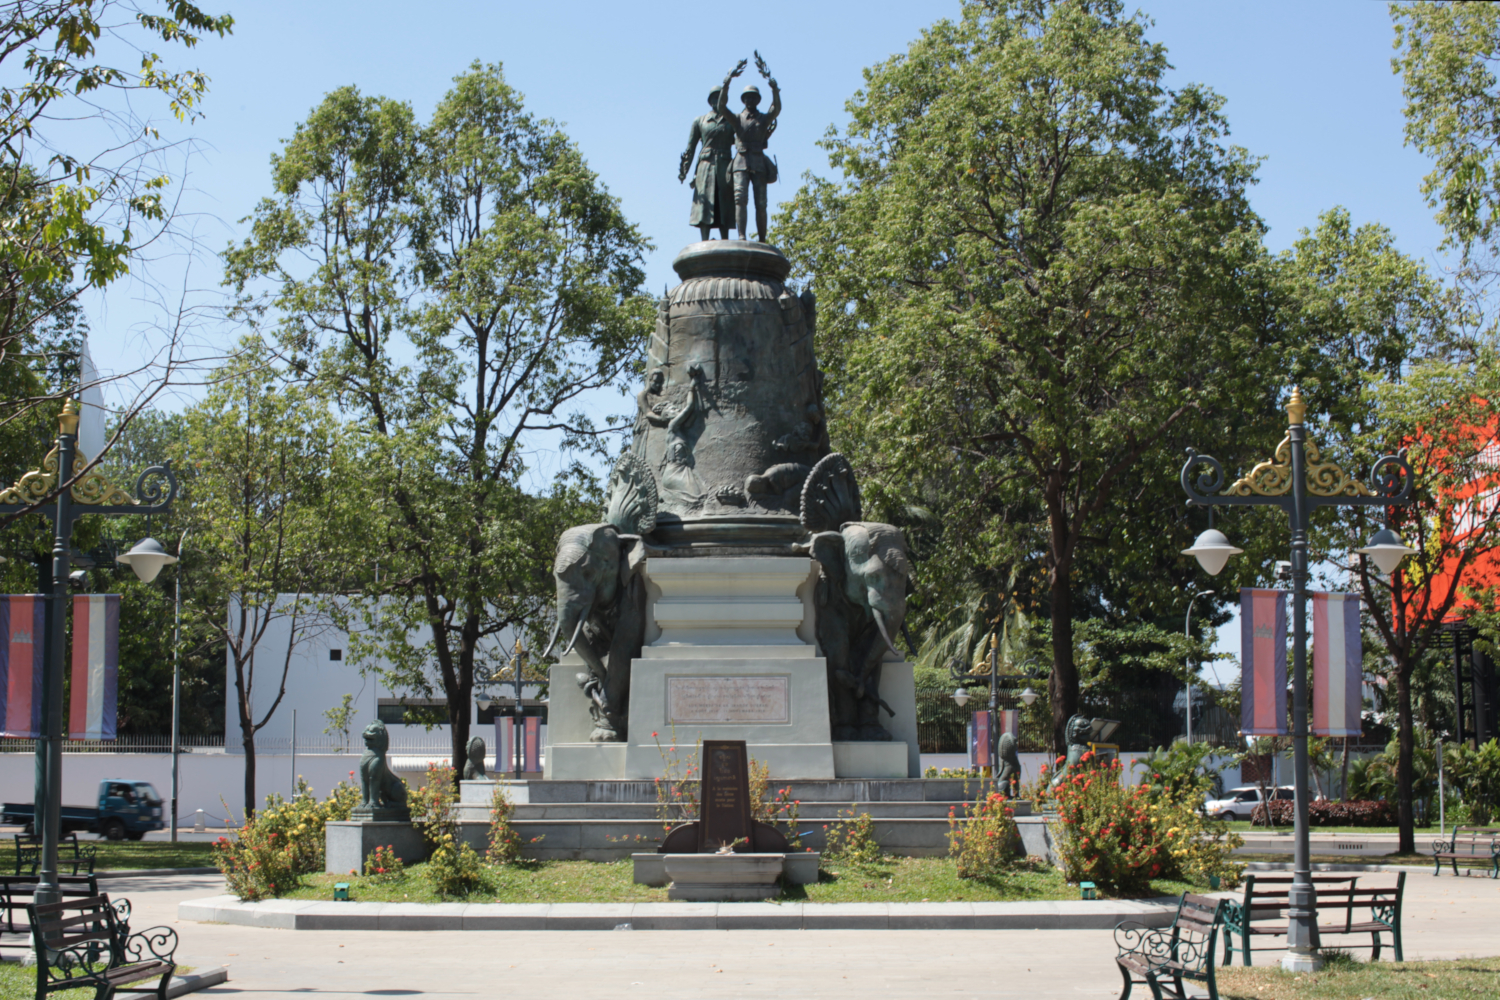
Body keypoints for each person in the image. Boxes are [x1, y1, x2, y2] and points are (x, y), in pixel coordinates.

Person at [716, 58, 781, 242]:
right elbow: (722, 107)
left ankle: (762, 238)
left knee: (761, 203)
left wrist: (775, 90)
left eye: (753, 97)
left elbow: (776, 109)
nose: (750, 100)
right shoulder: (737, 118)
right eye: (747, 97)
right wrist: (727, 83)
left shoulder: (763, 118)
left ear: (758, 100)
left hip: (758, 162)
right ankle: (741, 235)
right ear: (743, 100)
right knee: (740, 199)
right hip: (741, 162)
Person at [679, 88, 736, 241]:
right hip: (705, 165)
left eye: (721, 98)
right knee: (705, 202)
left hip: (725, 165)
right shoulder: (700, 120)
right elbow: (690, 149)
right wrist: (685, 170)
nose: (718, 101)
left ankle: (725, 240)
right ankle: (704, 239)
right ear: (710, 101)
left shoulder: (732, 120)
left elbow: (743, 142)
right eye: (715, 98)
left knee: (724, 201)